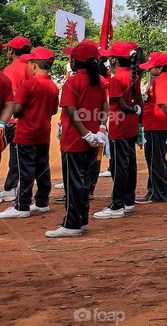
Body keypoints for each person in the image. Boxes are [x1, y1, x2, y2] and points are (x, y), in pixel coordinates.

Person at [47, 41, 109, 238]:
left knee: (74, 184)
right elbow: (105, 108)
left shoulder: (72, 82)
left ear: (74, 61)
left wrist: (84, 133)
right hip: (92, 139)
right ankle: (81, 221)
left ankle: (72, 224)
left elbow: (71, 112)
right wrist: (100, 128)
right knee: (83, 182)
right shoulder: (98, 81)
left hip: (75, 140)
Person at [0, 47, 58, 219]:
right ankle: (42, 202)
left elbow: (16, 111)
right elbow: (54, 110)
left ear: (33, 65)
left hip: (26, 134)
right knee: (42, 167)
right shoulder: (53, 86)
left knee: (26, 170)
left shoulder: (28, 85)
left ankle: (22, 205)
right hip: (43, 133)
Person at [93, 42, 143, 219]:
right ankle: (128, 200)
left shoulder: (116, 79)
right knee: (130, 163)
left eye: (109, 57)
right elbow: (138, 102)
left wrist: (132, 110)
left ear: (114, 60)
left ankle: (117, 204)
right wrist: (137, 114)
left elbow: (120, 104)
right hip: (130, 124)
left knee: (119, 165)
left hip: (119, 125)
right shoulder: (134, 76)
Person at [137, 52, 167, 203]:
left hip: (155, 125)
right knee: (158, 159)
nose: (149, 69)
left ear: (160, 67)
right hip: (157, 125)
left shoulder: (162, 81)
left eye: (152, 66)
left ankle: (156, 193)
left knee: (154, 160)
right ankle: (163, 191)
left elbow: (164, 104)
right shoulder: (165, 79)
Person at [1, 35, 33, 203]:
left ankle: (10, 189)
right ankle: (11, 188)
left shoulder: (9, 70)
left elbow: (10, 99)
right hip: (27, 120)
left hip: (10, 120)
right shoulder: (33, 67)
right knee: (18, 156)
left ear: (12, 50)